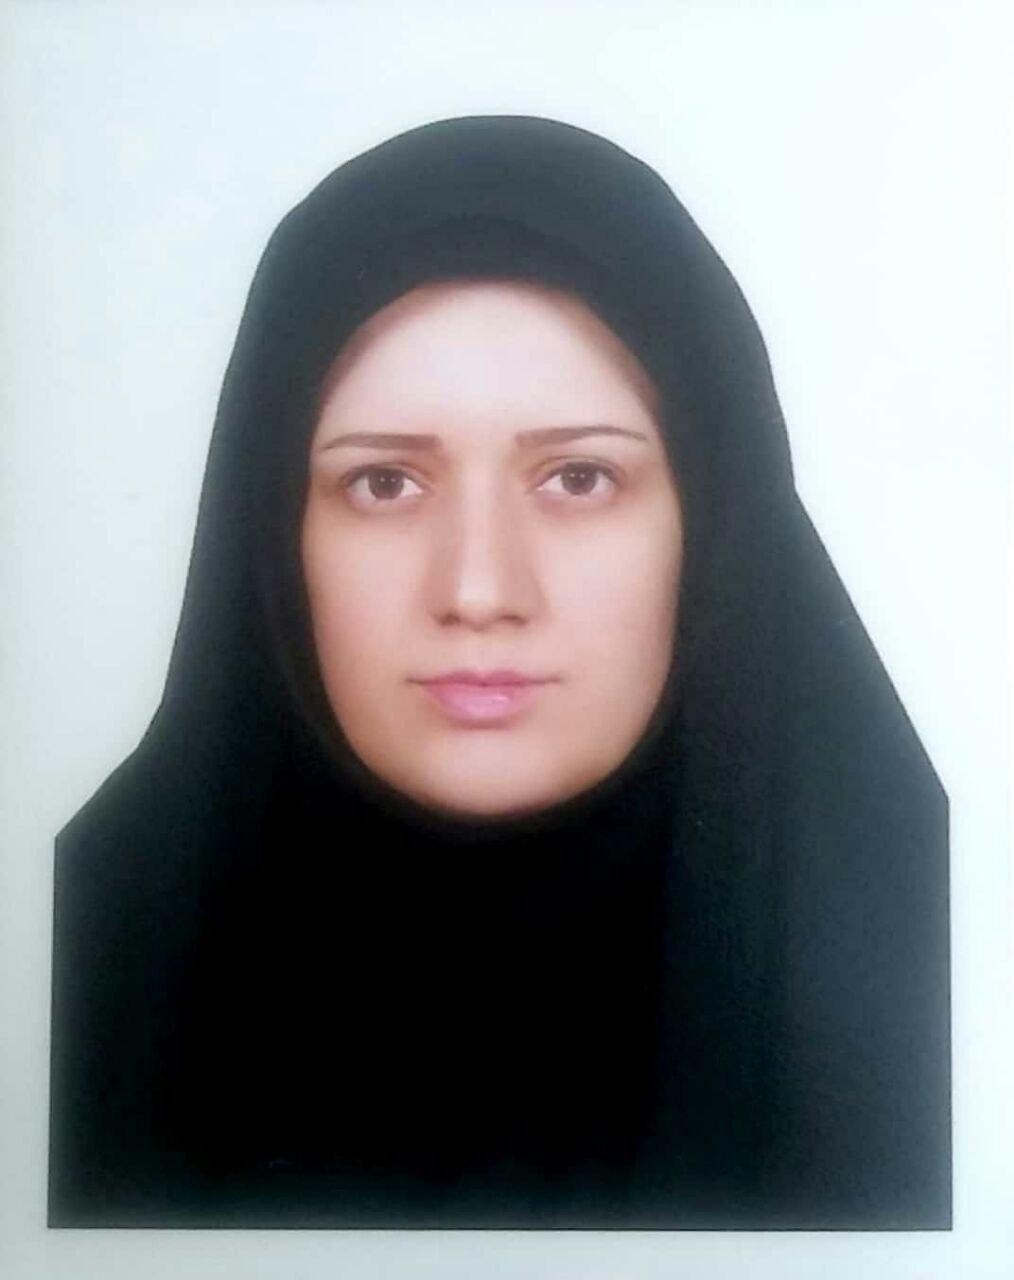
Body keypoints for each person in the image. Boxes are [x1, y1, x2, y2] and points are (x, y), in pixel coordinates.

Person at [48, 116, 950, 1229]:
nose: (478, 587)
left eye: (579, 477)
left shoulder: (952, 977)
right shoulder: (66, 964)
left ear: (710, 520)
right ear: (273, 534)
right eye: (384, 483)